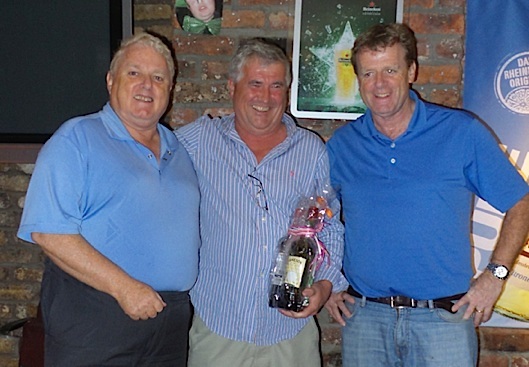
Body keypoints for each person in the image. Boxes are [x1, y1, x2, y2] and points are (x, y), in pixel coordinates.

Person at [325, 23, 529, 366]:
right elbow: (319, 219)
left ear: (412, 71)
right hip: (365, 320)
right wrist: (327, 281)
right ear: (358, 80)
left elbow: (520, 202)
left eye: (390, 70)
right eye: (369, 73)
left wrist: (495, 277)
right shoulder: (343, 146)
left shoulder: (460, 132)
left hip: (443, 321)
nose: (380, 84)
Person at [17, 33, 200, 366]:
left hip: (169, 322)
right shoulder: (76, 139)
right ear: (110, 80)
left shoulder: (178, 149)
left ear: (170, 90)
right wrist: (124, 288)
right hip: (97, 316)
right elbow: (49, 232)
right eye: (134, 73)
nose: (147, 85)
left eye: (158, 77)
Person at [175, 38, 348, 367]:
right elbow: (148, 161)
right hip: (218, 331)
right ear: (232, 86)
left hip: (289, 332)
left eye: (276, 86)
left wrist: (325, 287)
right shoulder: (200, 140)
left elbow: (331, 229)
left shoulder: (311, 151)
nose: (265, 98)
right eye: (255, 84)